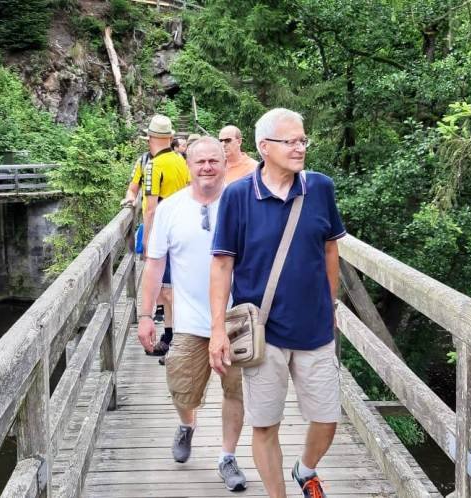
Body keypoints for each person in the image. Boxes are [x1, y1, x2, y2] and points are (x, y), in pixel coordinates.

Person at [208, 109, 346, 498]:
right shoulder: (238, 195)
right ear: (264, 147)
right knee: (265, 424)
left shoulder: (320, 188)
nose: (300, 148)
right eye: (291, 141)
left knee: (327, 418)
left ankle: (306, 468)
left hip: (315, 327)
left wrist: (331, 304)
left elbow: (330, 249)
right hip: (262, 332)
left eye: (303, 140)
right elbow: (222, 264)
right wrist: (217, 330)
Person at [137, 137, 248, 492]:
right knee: (181, 389)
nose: (207, 167)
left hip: (237, 319)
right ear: (188, 166)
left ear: (225, 163)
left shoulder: (242, 204)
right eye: (200, 161)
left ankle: (227, 457)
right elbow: (154, 265)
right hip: (188, 320)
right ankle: (187, 425)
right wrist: (145, 315)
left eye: (214, 160)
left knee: (235, 390)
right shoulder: (171, 209)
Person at [122, 114, 190, 355]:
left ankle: (179, 341)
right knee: (170, 288)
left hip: (165, 234)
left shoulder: (153, 166)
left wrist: (148, 242)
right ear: (170, 138)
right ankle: (171, 336)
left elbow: (150, 209)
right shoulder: (180, 160)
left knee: (169, 291)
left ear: (150, 138)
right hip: (183, 230)